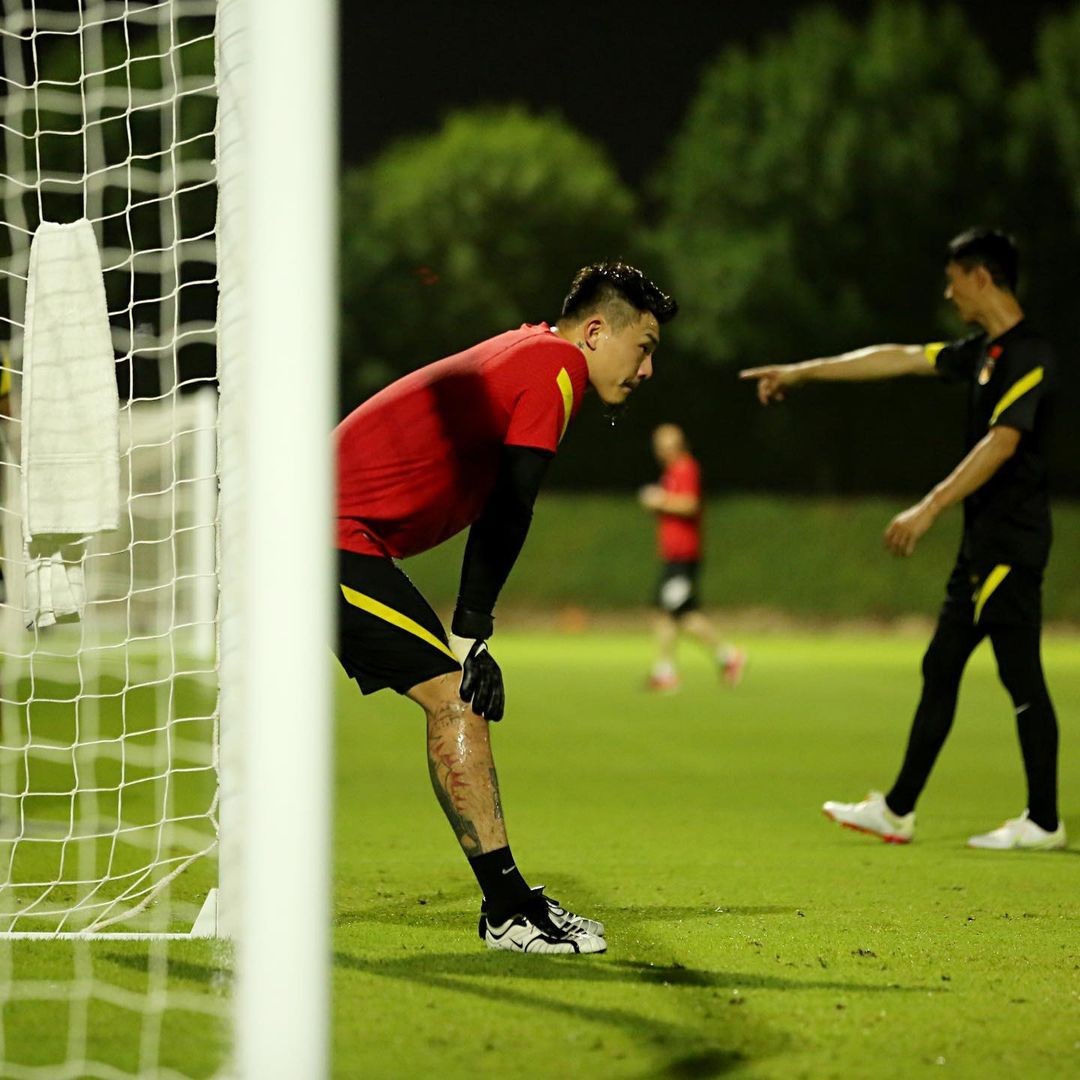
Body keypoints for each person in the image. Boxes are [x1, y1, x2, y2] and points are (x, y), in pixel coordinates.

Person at [335, 262, 678, 953]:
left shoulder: (527, 350)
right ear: (593, 331)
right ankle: (508, 912)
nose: (646, 371)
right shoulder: (554, 368)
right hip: (325, 538)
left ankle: (512, 902)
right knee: (455, 701)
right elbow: (511, 508)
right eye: (642, 348)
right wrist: (473, 636)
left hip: (334, 535)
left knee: (448, 698)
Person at [739, 227, 1064, 851]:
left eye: (953, 279)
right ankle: (897, 810)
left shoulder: (1032, 355)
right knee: (941, 665)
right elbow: (899, 356)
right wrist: (803, 373)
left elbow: (1004, 441)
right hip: (982, 547)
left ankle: (1044, 820)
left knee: (1019, 674)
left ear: (981, 277)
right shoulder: (984, 353)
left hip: (1012, 544)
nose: (948, 292)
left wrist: (930, 506)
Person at [638, 423, 745, 691]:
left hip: (683, 556)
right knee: (672, 613)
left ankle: (725, 656)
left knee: (675, 613)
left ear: (678, 445)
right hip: (673, 555)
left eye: (667, 446)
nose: (662, 452)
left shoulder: (686, 468)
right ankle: (669, 670)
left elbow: (689, 504)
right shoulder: (672, 471)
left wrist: (658, 500)